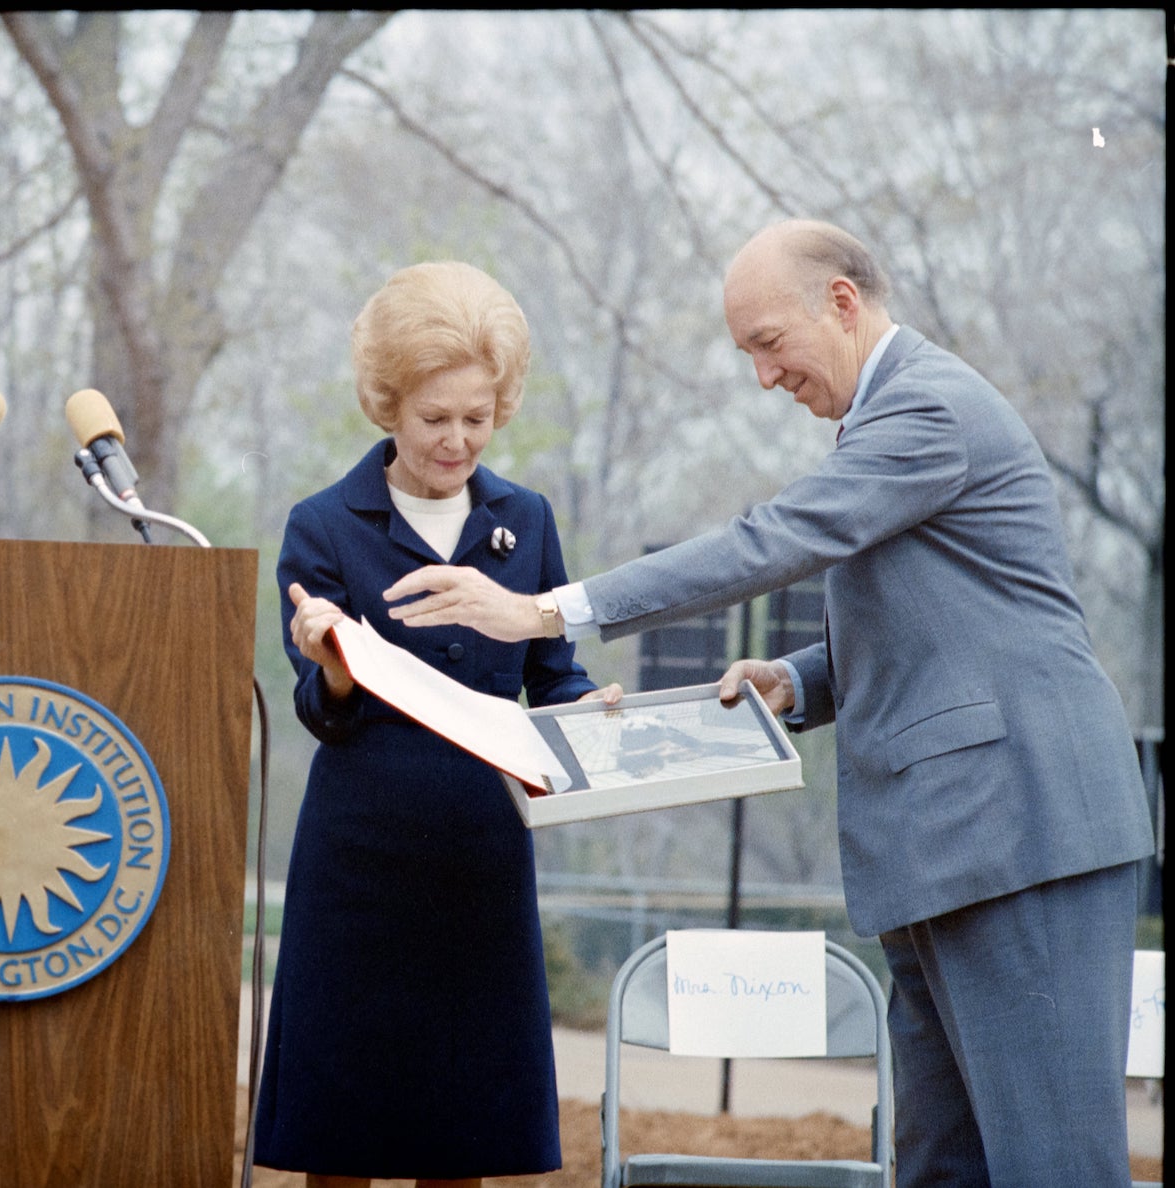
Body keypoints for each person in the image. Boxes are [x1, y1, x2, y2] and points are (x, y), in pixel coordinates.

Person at [384, 220, 1154, 1187]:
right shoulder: (885, 422)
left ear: (840, 301)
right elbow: (949, 630)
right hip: (946, 852)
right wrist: (801, 678)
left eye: (766, 343)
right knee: (938, 1170)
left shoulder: (929, 409)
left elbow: (773, 539)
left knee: (1053, 1170)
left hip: (1019, 836)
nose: (762, 375)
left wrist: (546, 612)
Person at [252, 261, 620, 1188]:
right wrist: (333, 673)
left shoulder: (526, 519)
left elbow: (553, 671)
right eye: (435, 419)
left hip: (482, 855)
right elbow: (316, 706)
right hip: (360, 861)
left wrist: (592, 715)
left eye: (478, 416)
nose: (458, 440)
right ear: (387, 405)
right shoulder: (324, 525)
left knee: (462, 1133)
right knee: (344, 1128)